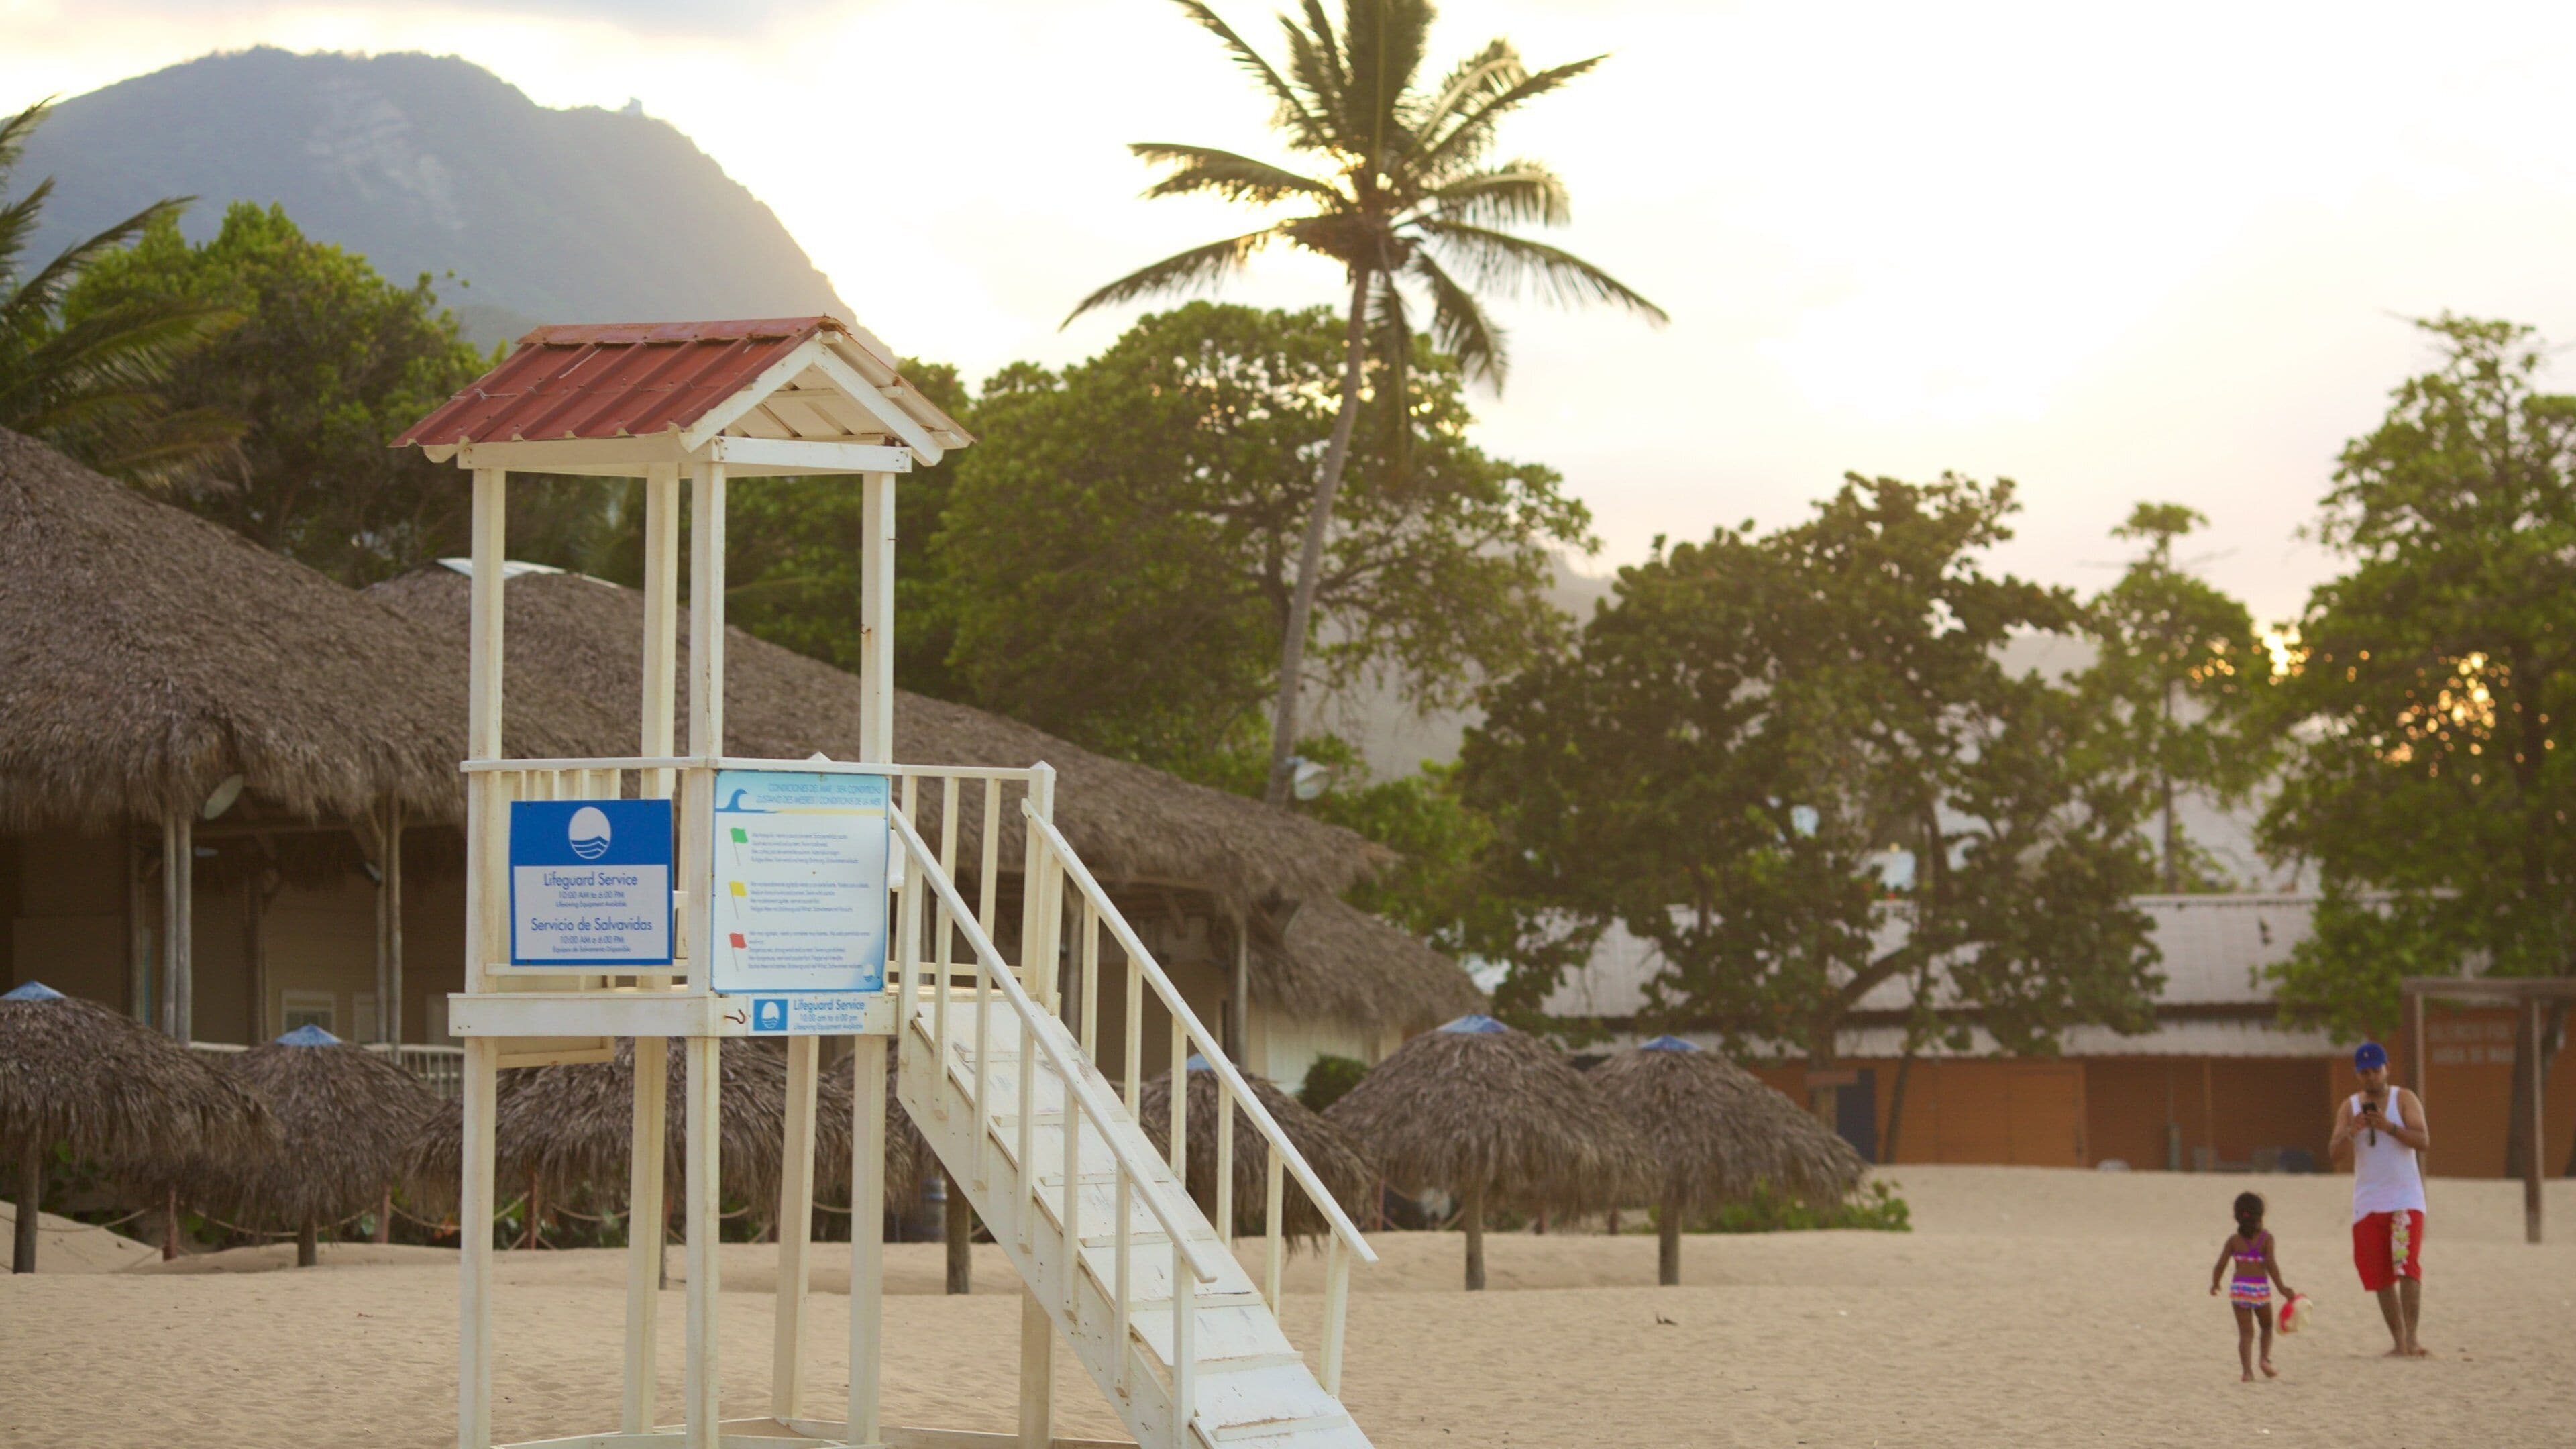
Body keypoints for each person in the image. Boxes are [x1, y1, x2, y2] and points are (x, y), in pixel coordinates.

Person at [2330, 1040, 2431, 1356]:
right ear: (2358, 1075)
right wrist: (2352, 1132)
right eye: (2365, 1072)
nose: (2371, 1077)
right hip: (2369, 1201)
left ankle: (2413, 1338)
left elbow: (2423, 1140)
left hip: (2404, 1198)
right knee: (2380, 1272)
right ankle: (2399, 1341)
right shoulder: (2349, 1107)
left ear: (2386, 1068)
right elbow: (2335, 1154)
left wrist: (2389, 1128)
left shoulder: (2404, 1099)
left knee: (2407, 1265)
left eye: (2376, 1070)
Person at [2208, 1191, 2297, 1381]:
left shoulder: (2234, 1241)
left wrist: (2215, 1284)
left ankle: (2247, 1371)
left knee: (2246, 1333)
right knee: (2266, 1327)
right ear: (2261, 1215)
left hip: (2240, 1290)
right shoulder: (2266, 1239)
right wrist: (2282, 1288)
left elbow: (2220, 1265)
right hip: (2260, 1290)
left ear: (2237, 1216)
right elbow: (2272, 1266)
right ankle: (2264, 1359)